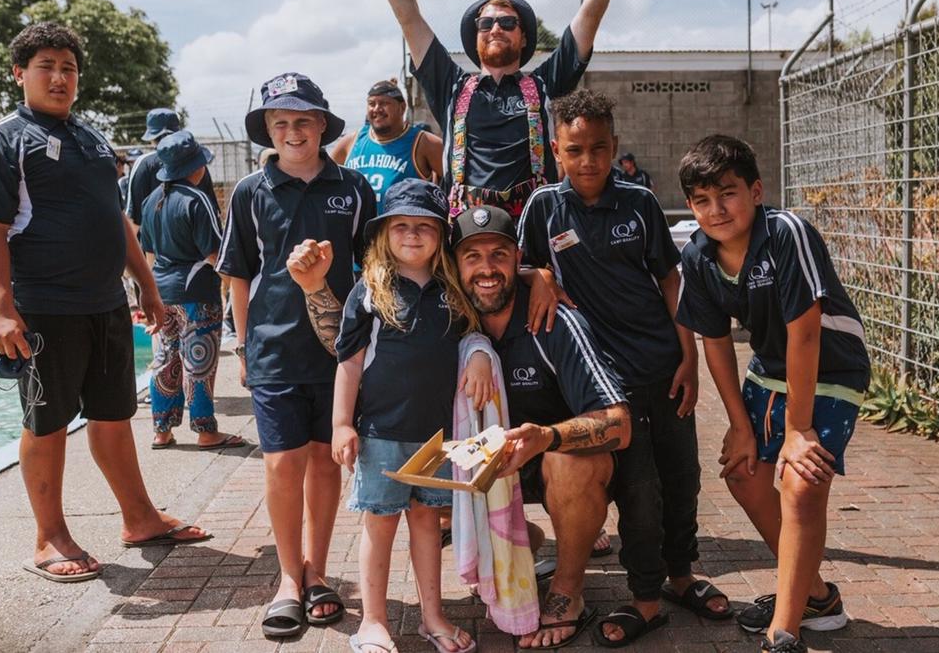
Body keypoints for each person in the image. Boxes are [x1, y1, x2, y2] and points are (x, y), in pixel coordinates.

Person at [0, 22, 211, 583]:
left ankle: (140, 518)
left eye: (69, 68)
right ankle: (49, 537)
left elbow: (116, 220)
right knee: (47, 422)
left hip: (105, 302)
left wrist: (147, 287)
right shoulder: (5, 139)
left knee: (113, 415)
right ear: (19, 74)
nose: (59, 78)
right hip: (44, 306)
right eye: (46, 67)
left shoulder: (92, 140)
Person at [518, 89, 730, 646]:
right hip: (608, 381)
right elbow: (520, 267)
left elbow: (670, 279)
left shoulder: (639, 203)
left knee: (682, 477)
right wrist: (540, 275)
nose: (588, 160)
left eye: (599, 148)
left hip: (664, 365)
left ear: (614, 146)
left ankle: (682, 576)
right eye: (575, 150)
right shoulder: (543, 207)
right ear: (557, 152)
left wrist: (688, 357)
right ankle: (645, 598)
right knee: (639, 489)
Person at [676, 134, 871, 653]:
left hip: (831, 366)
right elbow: (715, 342)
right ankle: (816, 598)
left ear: (756, 191)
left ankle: (783, 633)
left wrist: (797, 429)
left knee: (801, 482)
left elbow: (805, 333)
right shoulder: (697, 256)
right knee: (743, 472)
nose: (716, 210)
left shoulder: (786, 233)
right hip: (770, 371)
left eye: (728, 193)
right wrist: (740, 427)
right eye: (702, 200)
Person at [288, 179, 491, 653]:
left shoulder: (453, 290)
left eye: (425, 226)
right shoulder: (369, 291)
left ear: (441, 236)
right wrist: (341, 424)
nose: (413, 234)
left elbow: (470, 336)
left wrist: (480, 352)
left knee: (426, 524)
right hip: (381, 433)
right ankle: (373, 621)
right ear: (383, 233)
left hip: (436, 436)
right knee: (379, 526)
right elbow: (349, 362)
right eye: (401, 225)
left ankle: (432, 616)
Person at [218, 72, 376, 636]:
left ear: (322, 125)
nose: (293, 131)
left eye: (303, 121)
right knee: (282, 463)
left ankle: (317, 571)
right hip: (273, 349)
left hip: (337, 352)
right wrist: (243, 345)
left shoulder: (353, 188)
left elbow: (372, 267)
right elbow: (238, 275)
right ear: (268, 129)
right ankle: (288, 577)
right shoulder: (249, 192)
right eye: (281, 122)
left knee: (325, 460)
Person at [362, 0, 639, 219]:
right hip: (467, 231)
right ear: (476, 36)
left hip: (534, 228)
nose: (495, 29)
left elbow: (591, 10)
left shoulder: (546, 84)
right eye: (486, 23)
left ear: (524, 38)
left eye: (508, 23)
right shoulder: (450, 85)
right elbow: (408, 17)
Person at [451, 205, 634, 649]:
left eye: (499, 254)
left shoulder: (555, 321)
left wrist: (547, 437)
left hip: (549, 461)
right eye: (472, 257)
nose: (486, 269)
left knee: (569, 463)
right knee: (410, 476)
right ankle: (521, 541)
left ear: (518, 259)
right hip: (487, 467)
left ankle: (567, 591)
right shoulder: (448, 319)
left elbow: (619, 425)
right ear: (454, 266)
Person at [140, 130, 245, 451]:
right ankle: (205, 431)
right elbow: (216, 253)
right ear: (195, 167)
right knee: (199, 362)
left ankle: (161, 430)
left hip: (162, 292)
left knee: (165, 359)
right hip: (196, 292)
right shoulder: (197, 199)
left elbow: (149, 252)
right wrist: (234, 284)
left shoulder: (151, 200)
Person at [330, 78, 444, 209]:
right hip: (358, 222)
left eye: (384, 103)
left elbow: (458, 184)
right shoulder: (350, 142)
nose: (377, 109)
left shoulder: (423, 142)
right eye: (371, 104)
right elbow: (324, 182)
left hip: (402, 221)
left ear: (402, 107)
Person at [125, 107, 220, 235]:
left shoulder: (143, 164)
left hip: (153, 244)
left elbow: (134, 220)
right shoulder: (197, 163)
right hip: (197, 243)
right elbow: (213, 212)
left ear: (152, 136)